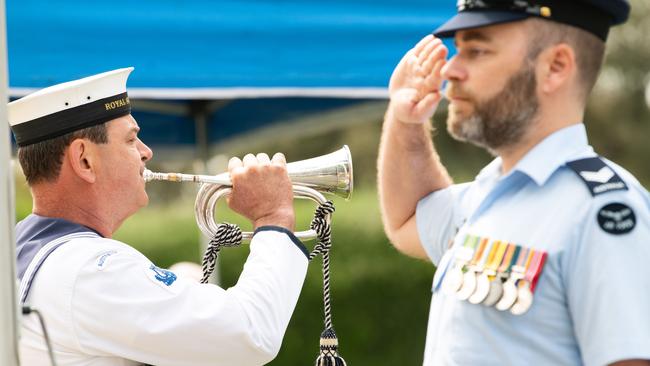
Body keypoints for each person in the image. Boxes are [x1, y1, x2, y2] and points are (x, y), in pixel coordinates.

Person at [378, 0, 650, 365]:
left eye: (476, 51)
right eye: (458, 50)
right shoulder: (488, 192)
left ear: (555, 67)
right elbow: (407, 218)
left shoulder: (604, 210)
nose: (451, 68)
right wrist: (404, 121)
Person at [10, 67, 310, 366]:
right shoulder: (91, 269)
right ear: (84, 160)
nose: (146, 152)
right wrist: (273, 216)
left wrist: (182, 280)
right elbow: (250, 335)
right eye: (130, 141)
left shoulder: (18, 249)